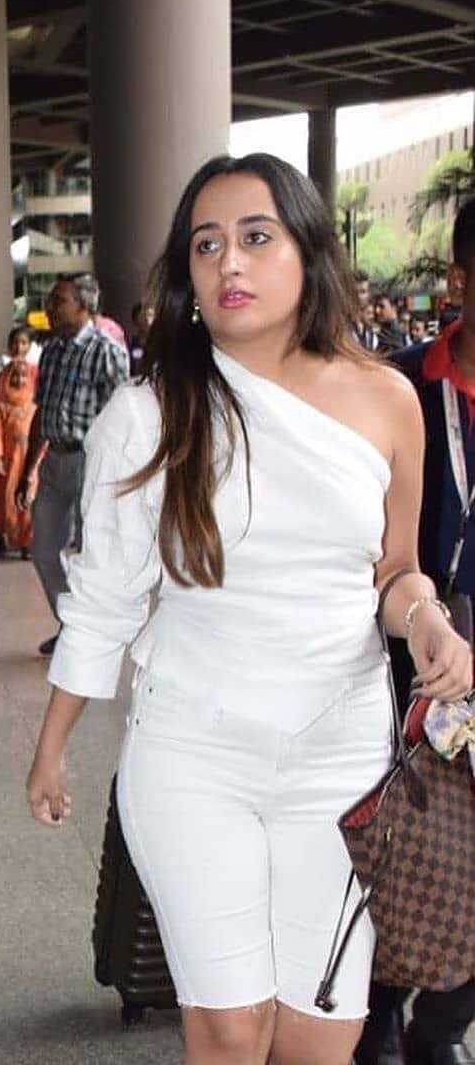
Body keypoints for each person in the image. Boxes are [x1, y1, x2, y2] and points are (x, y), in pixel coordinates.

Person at [24, 153, 472, 1065]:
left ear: (307, 252)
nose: (230, 262)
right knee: (230, 1030)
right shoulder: (147, 415)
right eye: (207, 244)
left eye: (256, 238)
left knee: (319, 1040)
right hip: (193, 753)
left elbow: (395, 568)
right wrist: (53, 746)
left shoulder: (389, 399)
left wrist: (425, 618)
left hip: (342, 760)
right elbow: (103, 600)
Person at [355, 197, 475, 1065]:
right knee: (400, 863)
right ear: (462, 280)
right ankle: (376, 1024)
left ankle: (441, 1033)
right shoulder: (398, 389)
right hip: (407, 679)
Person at [16, 273, 128, 655]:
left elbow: (123, 418)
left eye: (58, 300)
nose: (50, 307)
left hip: (90, 462)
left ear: (84, 305)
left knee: (92, 554)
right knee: (44, 550)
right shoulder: (51, 351)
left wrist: (116, 471)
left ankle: (94, 635)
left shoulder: (106, 351)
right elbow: (41, 413)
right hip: (54, 463)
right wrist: (28, 469)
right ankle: (71, 625)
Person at [0, 360, 41, 556]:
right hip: (10, 462)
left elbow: (39, 432)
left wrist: (40, 458)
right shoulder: (1, 404)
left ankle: (27, 542)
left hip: (30, 460)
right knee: (7, 500)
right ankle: (4, 534)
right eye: (15, 375)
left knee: (28, 499)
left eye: (24, 375)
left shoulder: (34, 403)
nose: (20, 379)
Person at [353, 270, 379, 351]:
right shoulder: (340, 325)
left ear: (368, 294)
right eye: (354, 292)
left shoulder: (369, 328)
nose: (358, 296)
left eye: (363, 292)